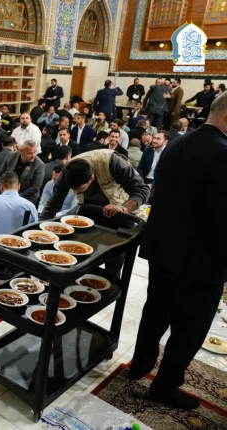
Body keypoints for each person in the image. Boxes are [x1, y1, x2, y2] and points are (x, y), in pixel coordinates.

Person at [128, 95, 227, 411]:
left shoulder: (177, 142)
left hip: (163, 249)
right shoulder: (223, 153)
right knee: (189, 329)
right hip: (199, 262)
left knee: (155, 313)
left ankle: (140, 365)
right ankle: (165, 387)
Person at [39, 150, 150, 276]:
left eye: (79, 189)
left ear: (92, 177)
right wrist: (40, 229)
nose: (75, 193)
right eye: (73, 189)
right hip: (90, 208)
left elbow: (142, 189)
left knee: (114, 259)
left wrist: (123, 208)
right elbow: (54, 202)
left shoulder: (112, 162)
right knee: (81, 254)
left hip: (120, 211)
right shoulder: (67, 171)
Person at [0, 171, 38, 240]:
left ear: (1, 186)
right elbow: (33, 234)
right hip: (17, 246)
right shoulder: (30, 206)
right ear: (19, 186)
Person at [0, 140, 45, 204]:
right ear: (21, 151)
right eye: (30, 153)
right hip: (6, 192)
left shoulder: (39, 165)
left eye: (35, 152)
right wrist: (2, 189)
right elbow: (0, 174)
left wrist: (16, 197)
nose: (33, 156)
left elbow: (35, 187)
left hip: (26, 197)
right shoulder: (11, 155)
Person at [137, 130, 168, 203]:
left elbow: (165, 173)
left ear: (165, 142)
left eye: (158, 139)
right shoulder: (147, 150)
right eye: (154, 138)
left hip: (158, 181)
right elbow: (140, 167)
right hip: (144, 179)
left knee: (151, 197)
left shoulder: (168, 153)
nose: (154, 141)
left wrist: (151, 184)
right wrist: (141, 181)